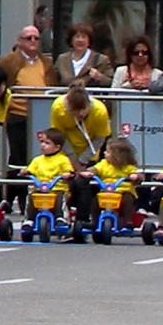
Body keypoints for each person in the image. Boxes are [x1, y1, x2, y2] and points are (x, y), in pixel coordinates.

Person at [49, 82, 112, 225]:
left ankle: (83, 219)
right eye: (74, 112)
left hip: (89, 152)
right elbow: (60, 137)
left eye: (82, 111)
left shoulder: (99, 111)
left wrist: (83, 162)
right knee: (64, 183)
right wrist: (74, 163)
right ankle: (62, 216)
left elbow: (100, 139)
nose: (79, 115)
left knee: (83, 183)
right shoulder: (58, 107)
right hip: (67, 153)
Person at [0, 25, 57, 176]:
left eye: (36, 38)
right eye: (28, 38)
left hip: (41, 115)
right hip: (17, 115)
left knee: (38, 156)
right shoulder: (8, 61)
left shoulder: (47, 62)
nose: (33, 41)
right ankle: (11, 192)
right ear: (19, 41)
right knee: (18, 157)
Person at [78, 137, 142, 228]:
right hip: (106, 192)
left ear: (117, 156)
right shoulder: (104, 163)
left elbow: (137, 174)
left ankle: (128, 221)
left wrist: (135, 176)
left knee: (128, 200)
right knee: (95, 201)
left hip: (123, 192)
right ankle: (94, 221)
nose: (104, 153)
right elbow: (96, 169)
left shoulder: (128, 167)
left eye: (107, 152)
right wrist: (89, 172)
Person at [19, 128, 75, 231]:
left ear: (57, 147)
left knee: (59, 197)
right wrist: (25, 172)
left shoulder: (63, 159)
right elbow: (30, 170)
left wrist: (67, 174)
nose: (43, 145)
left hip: (57, 189)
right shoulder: (37, 160)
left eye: (47, 143)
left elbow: (69, 171)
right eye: (42, 142)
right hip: (40, 189)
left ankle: (60, 217)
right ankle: (29, 219)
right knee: (31, 196)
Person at [53, 22, 113, 87]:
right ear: (71, 40)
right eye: (77, 37)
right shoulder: (62, 59)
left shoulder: (101, 59)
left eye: (84, 37)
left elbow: (110, 82)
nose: (80, 40)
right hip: (66, 96)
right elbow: (54, 81)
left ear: (89, 40)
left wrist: (99, 77)